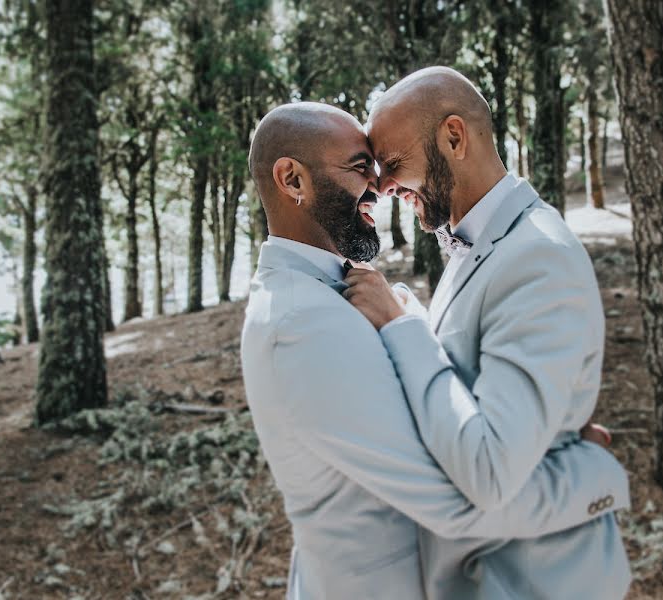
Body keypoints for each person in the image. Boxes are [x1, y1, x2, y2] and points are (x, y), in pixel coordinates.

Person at [240, 101, 630, 599]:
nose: (379, 187)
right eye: (362, 168)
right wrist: (591, 474)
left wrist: (540, 437)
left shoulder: (327, 295)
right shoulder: (301, 323)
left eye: (385, 166)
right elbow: (452, 500)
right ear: (293, 180)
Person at [344, 66, 631, 599]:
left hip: (534, 582)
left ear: (454, 137)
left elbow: (490, 471)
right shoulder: (480, 242)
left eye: (394, 163)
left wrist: (404, 328)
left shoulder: (537, 255)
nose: (381, 186)